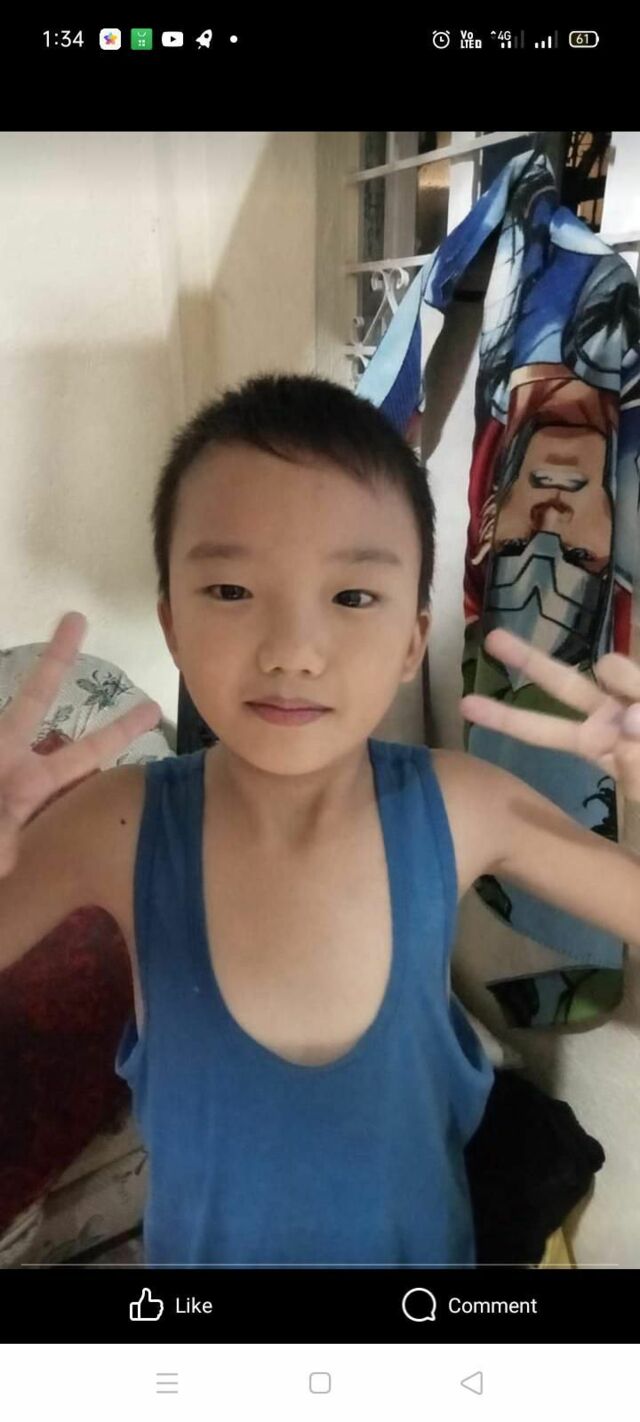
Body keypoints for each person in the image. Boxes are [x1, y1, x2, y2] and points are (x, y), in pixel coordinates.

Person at [1, 372, 639, 1267]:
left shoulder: (459, 807)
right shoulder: (118, 824)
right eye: (231, 590)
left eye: (352, 597)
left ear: (413, 639)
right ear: (172, 624)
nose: (293, 652)